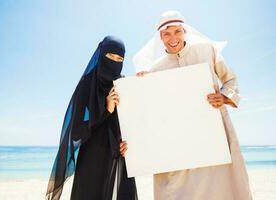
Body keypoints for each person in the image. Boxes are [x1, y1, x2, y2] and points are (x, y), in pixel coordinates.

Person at [127, 10, 253, 200]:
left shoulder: (207, 51)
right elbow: (149, 113)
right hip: (179, 143)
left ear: (184, 31)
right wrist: (142, 86)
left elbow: (230, 80)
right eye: (167, 34)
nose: (173, 38)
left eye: (177, 31)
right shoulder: (154, 70)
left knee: (224, 186)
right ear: (160, 37)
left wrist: (224, 97)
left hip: (215, 133)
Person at [46, 36, 138, 200]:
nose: (115, 62)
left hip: (119, 157)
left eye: (120, 58)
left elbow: (134, 122)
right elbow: (75, 132)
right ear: (101, 55)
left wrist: (129, 142)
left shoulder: (123, 85)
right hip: (92, 159)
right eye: (110, 56)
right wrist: (106, 110)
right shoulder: (87, 85)